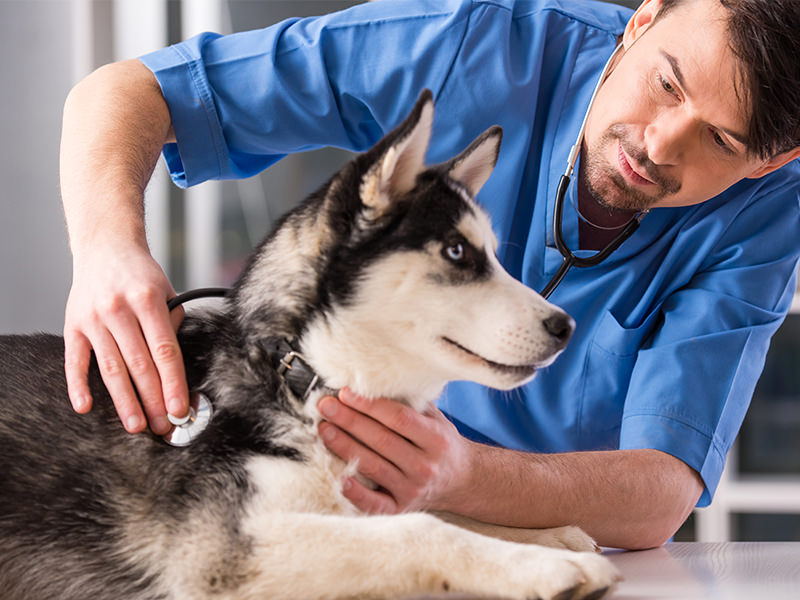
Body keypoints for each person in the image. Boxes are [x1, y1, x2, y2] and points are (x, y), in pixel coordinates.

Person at [59, 0, 800, 550]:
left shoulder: (767, 216)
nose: (659, 146)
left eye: (720, 139)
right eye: (666, 86)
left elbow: (660, 495)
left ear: (775, 162)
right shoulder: (478, 43)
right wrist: (106, 249)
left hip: (515, 534)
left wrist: (461, 476)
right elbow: (127, 92)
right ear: (644, 20)